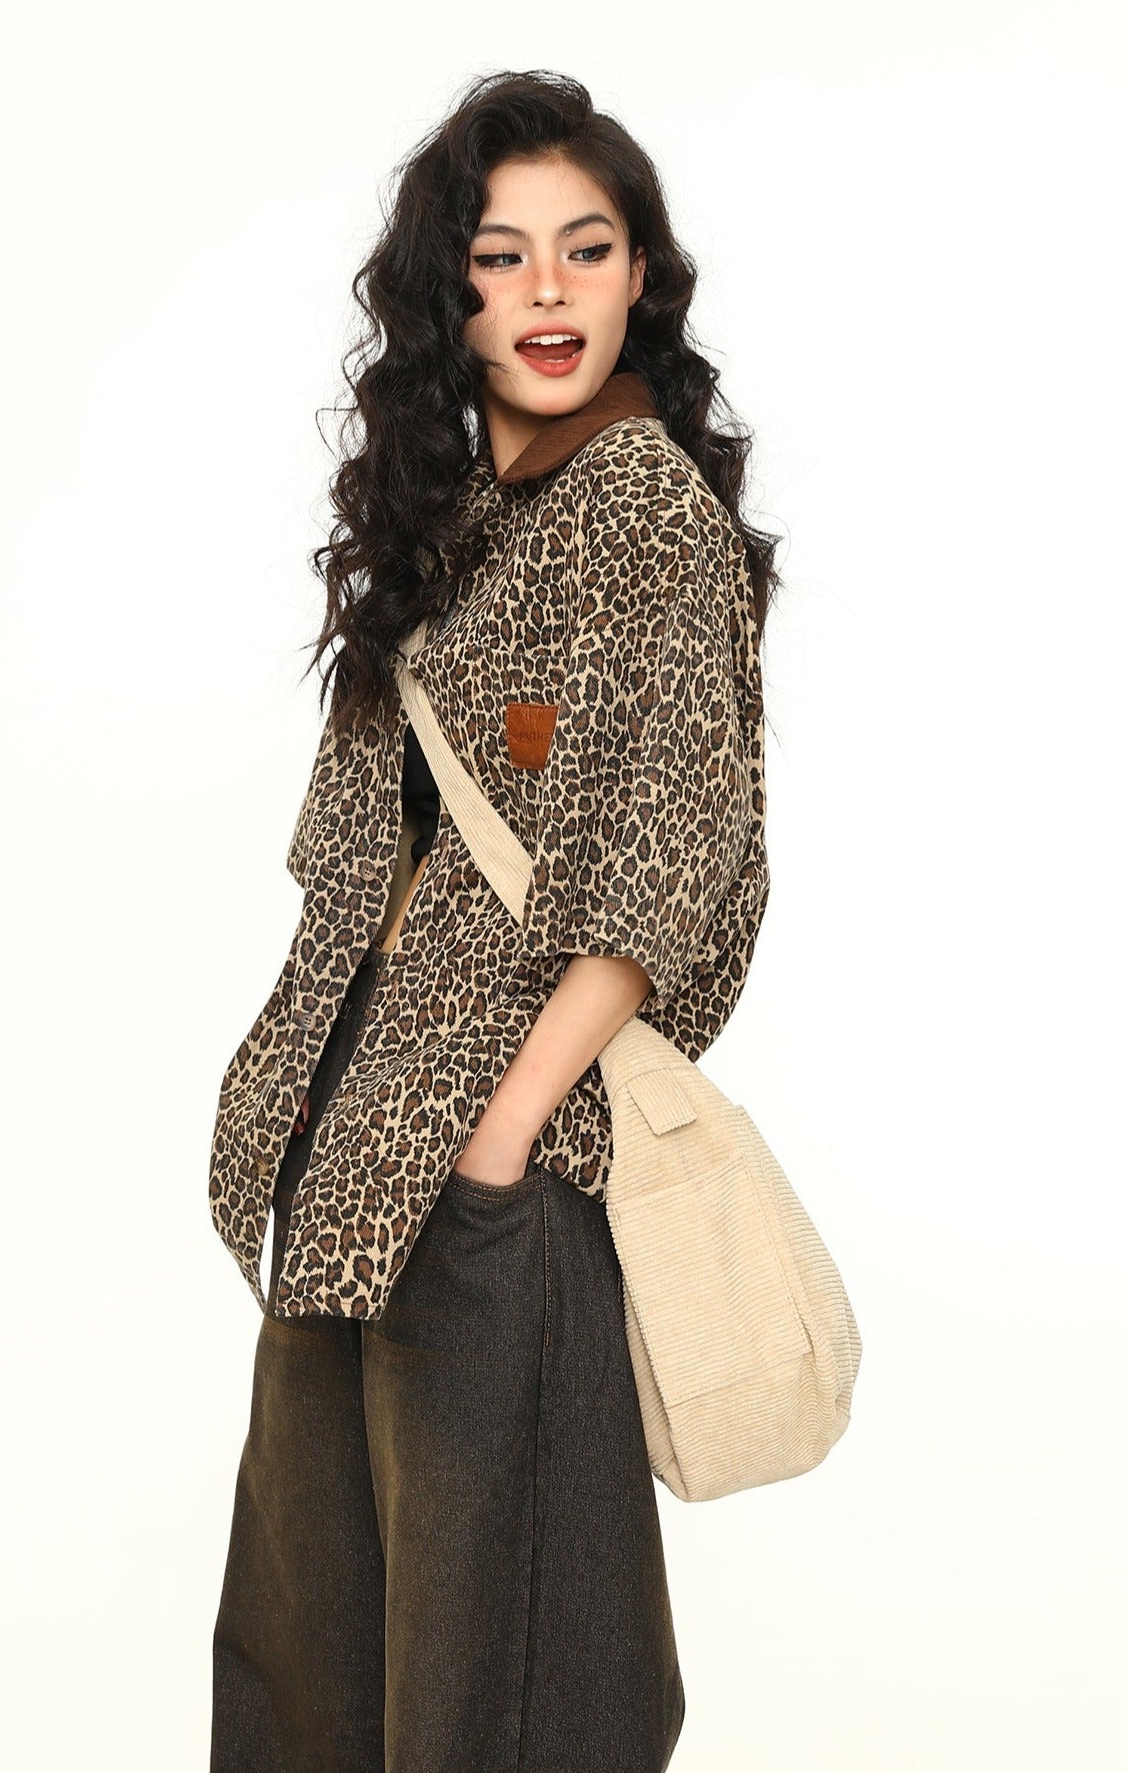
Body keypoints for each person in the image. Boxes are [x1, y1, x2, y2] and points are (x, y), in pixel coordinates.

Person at [207, 67, 780, 1773]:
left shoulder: (646, 515)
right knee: (313, 1660)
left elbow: (666, 867)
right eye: (500, 253)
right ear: (443, 291)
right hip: (343, 1150)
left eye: (585, 250)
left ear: (638, 279)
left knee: (500, 1681)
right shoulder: (455, 520)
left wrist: (501, 1138)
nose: (546, 290)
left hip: (484, 1176)